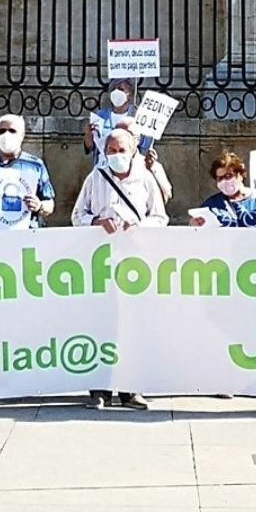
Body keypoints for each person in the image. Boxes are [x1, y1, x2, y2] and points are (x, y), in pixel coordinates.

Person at [72, 127, 168, 410]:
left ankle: (130, 389)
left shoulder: (145, 180)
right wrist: (96, 222)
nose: (116, 155)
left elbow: (160, 216)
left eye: (121, 150)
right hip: (101, 263)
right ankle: (99, 390)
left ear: (132, 151)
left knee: (133, 326)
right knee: (102, 324)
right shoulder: (95, 179)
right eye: (111, 151)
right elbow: (77, 214)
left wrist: (139, 227)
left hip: (136, 263)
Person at [190, 151, 256, 228]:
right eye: (220, 178)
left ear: (241, 175)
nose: (225, 181)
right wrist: (193, 226)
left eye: (228, 176)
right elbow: (198, 235)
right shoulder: (212, 205)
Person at [86, 78, 154, 159]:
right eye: (113, 89)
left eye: (121, 89)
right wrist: (88, 134)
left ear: (130, 95)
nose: (116, 92)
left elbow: (145, 147)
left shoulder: (137, 116)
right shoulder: (101, 115)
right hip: (103, 166)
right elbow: (90, 148)